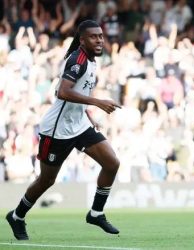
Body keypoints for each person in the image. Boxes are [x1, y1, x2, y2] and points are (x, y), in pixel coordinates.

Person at [6, 20, 121, 240]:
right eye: (93, 37)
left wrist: (86, 114)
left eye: (100, 36)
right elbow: (63, 92)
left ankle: (96, 213)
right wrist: (96, 102)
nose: (99, 40)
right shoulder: (77, 60)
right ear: (82, 40)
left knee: (112, 163)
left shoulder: (91, 60)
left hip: (79, 124)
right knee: (47, 180)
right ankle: (17, 216)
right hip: (57, 130)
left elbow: (76, 94)